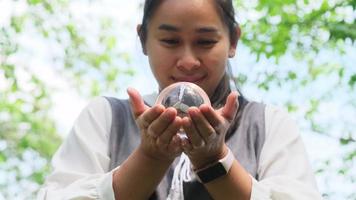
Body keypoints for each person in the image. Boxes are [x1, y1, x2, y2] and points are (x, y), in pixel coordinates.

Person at [38, 0, 322, 199]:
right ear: (143, 40)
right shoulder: (106, 118)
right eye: (171, 41)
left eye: (205, 42)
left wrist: (214, 161)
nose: (188, 61)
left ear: (233, 41)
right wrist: (151, 157)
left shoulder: (266, 125)